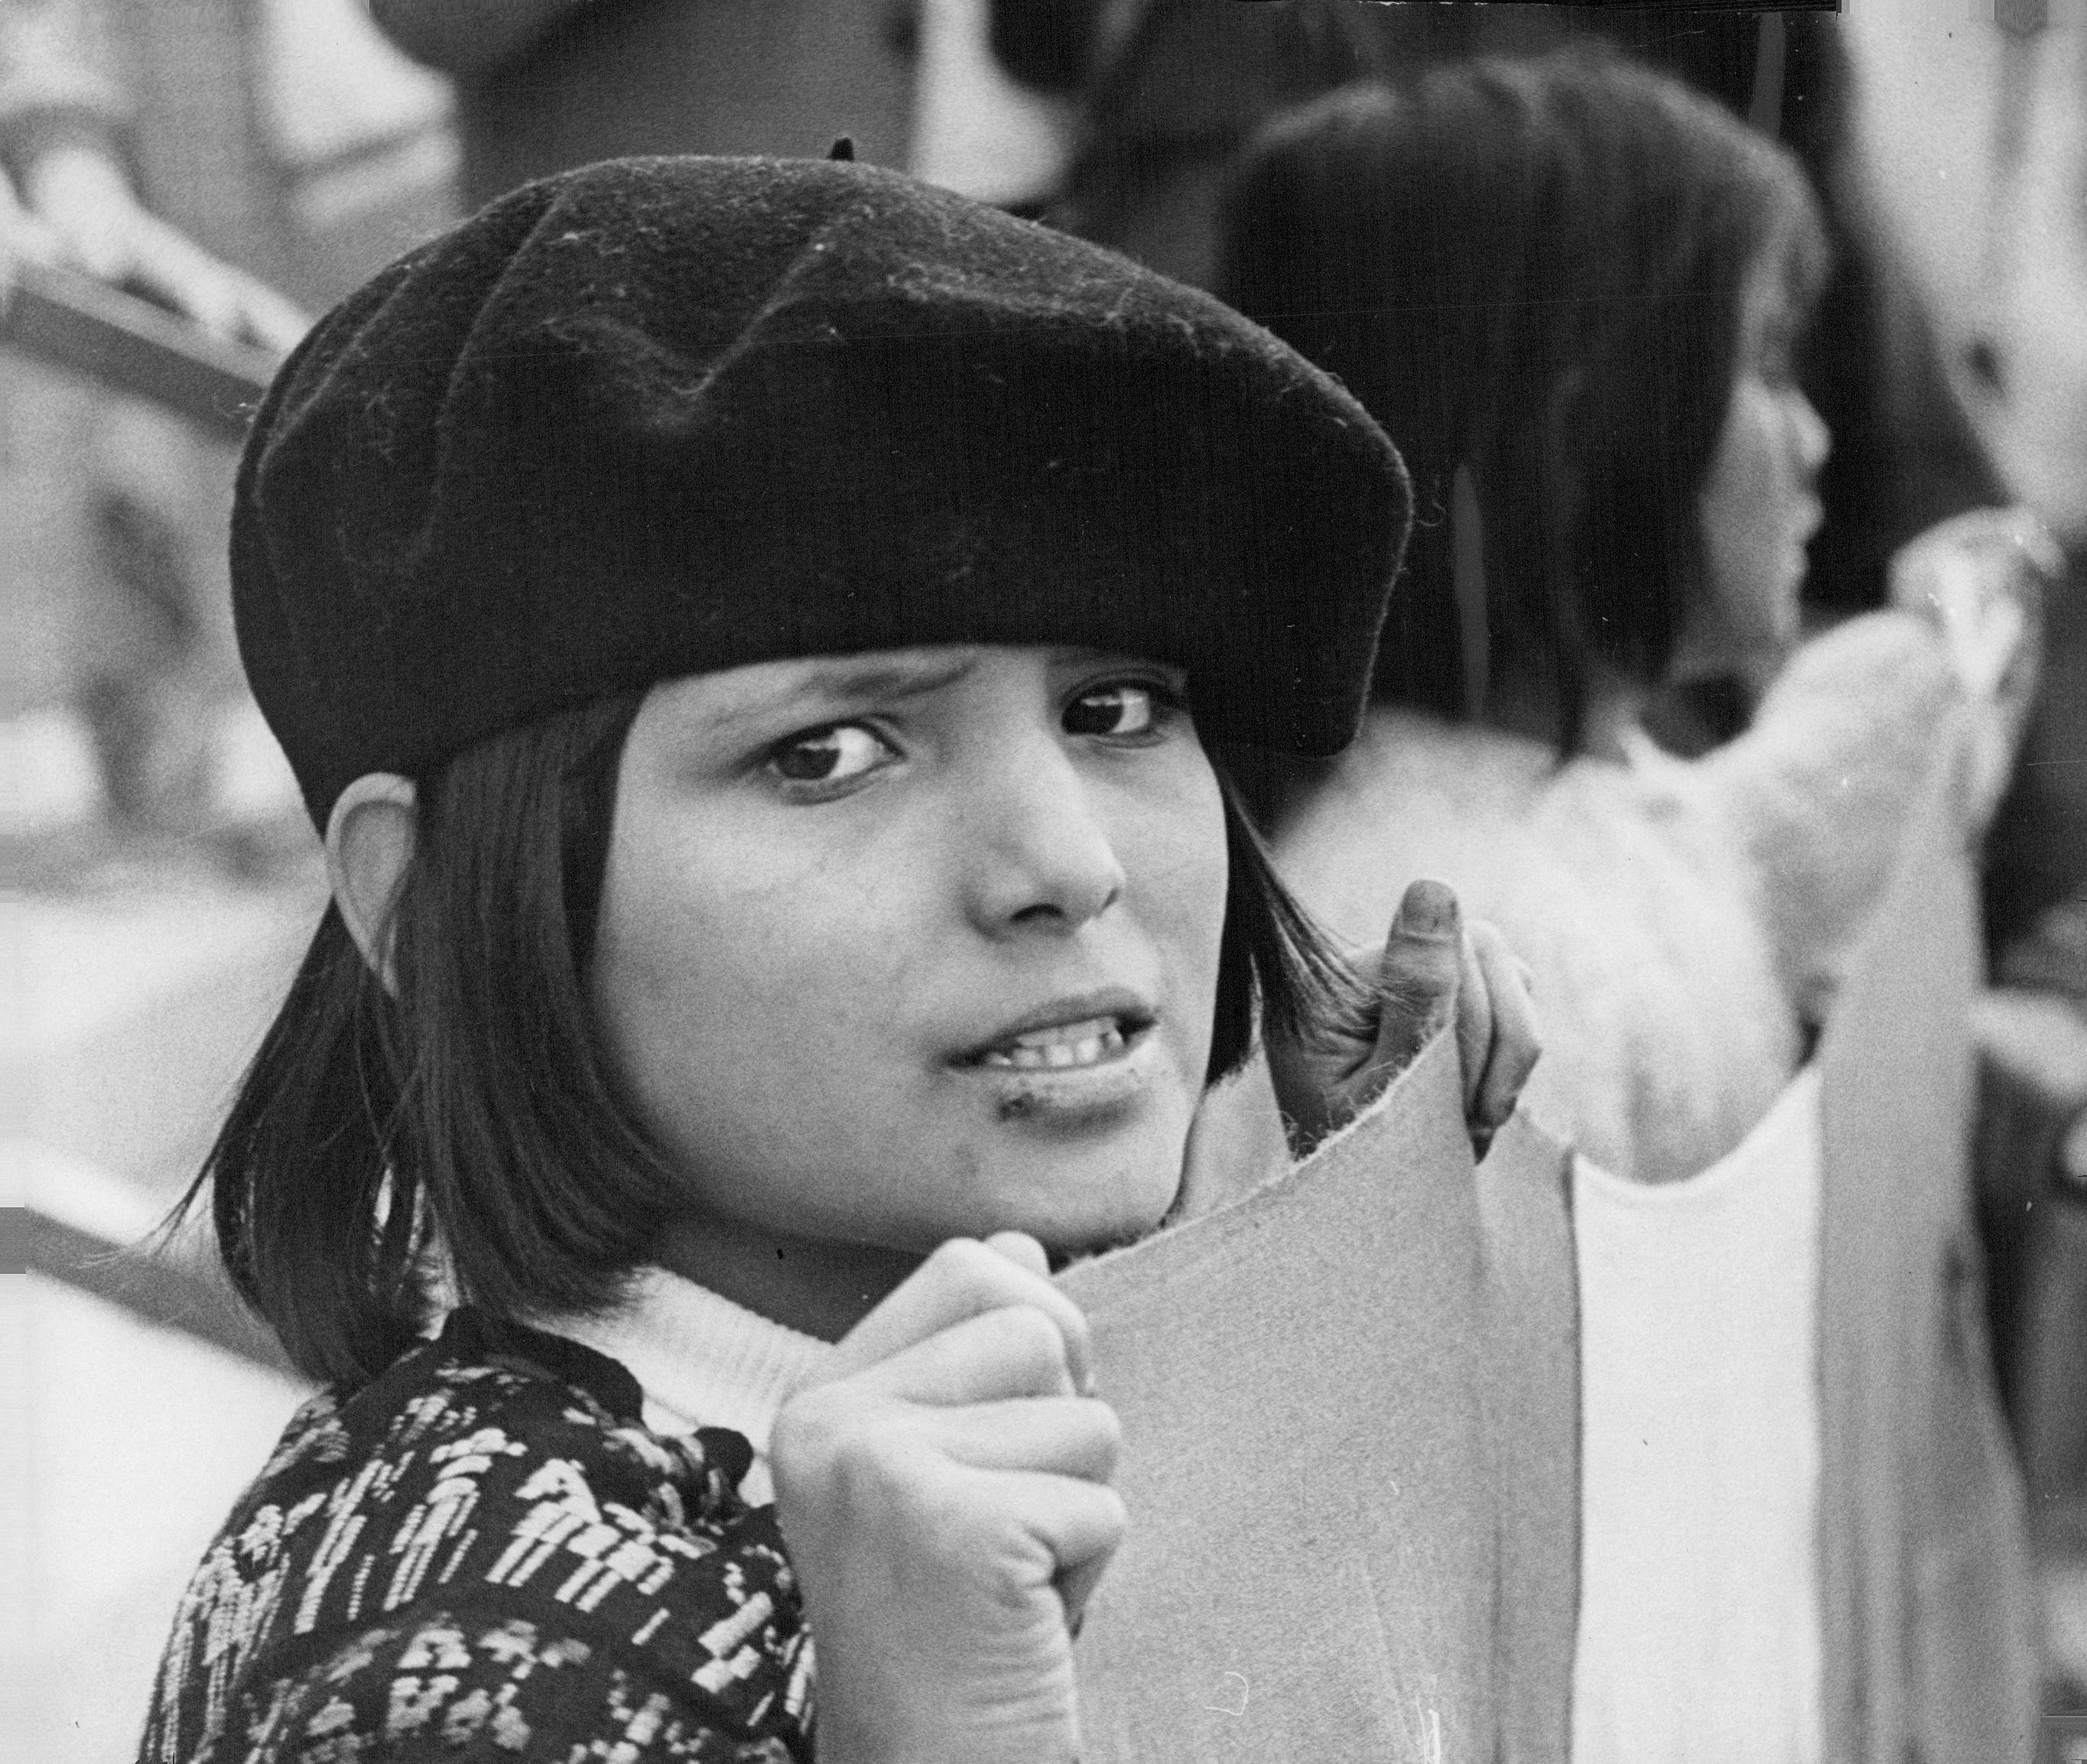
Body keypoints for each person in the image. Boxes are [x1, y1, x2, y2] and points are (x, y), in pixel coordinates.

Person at [136, 153, 1539, 1763]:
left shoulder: (897, 1387)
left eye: (1113, 709)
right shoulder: (474, 1678)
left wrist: (1331, 1248)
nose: (1067, 864)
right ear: (418, 898)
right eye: (828, 753)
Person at [1218, 52, 2044, 1759]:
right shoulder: (1454, 920)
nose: (1818, 441)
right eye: (1766, 367)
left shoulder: (1613, 809)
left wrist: (1935, 686)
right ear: (1589, 412)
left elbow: (1755, 830)